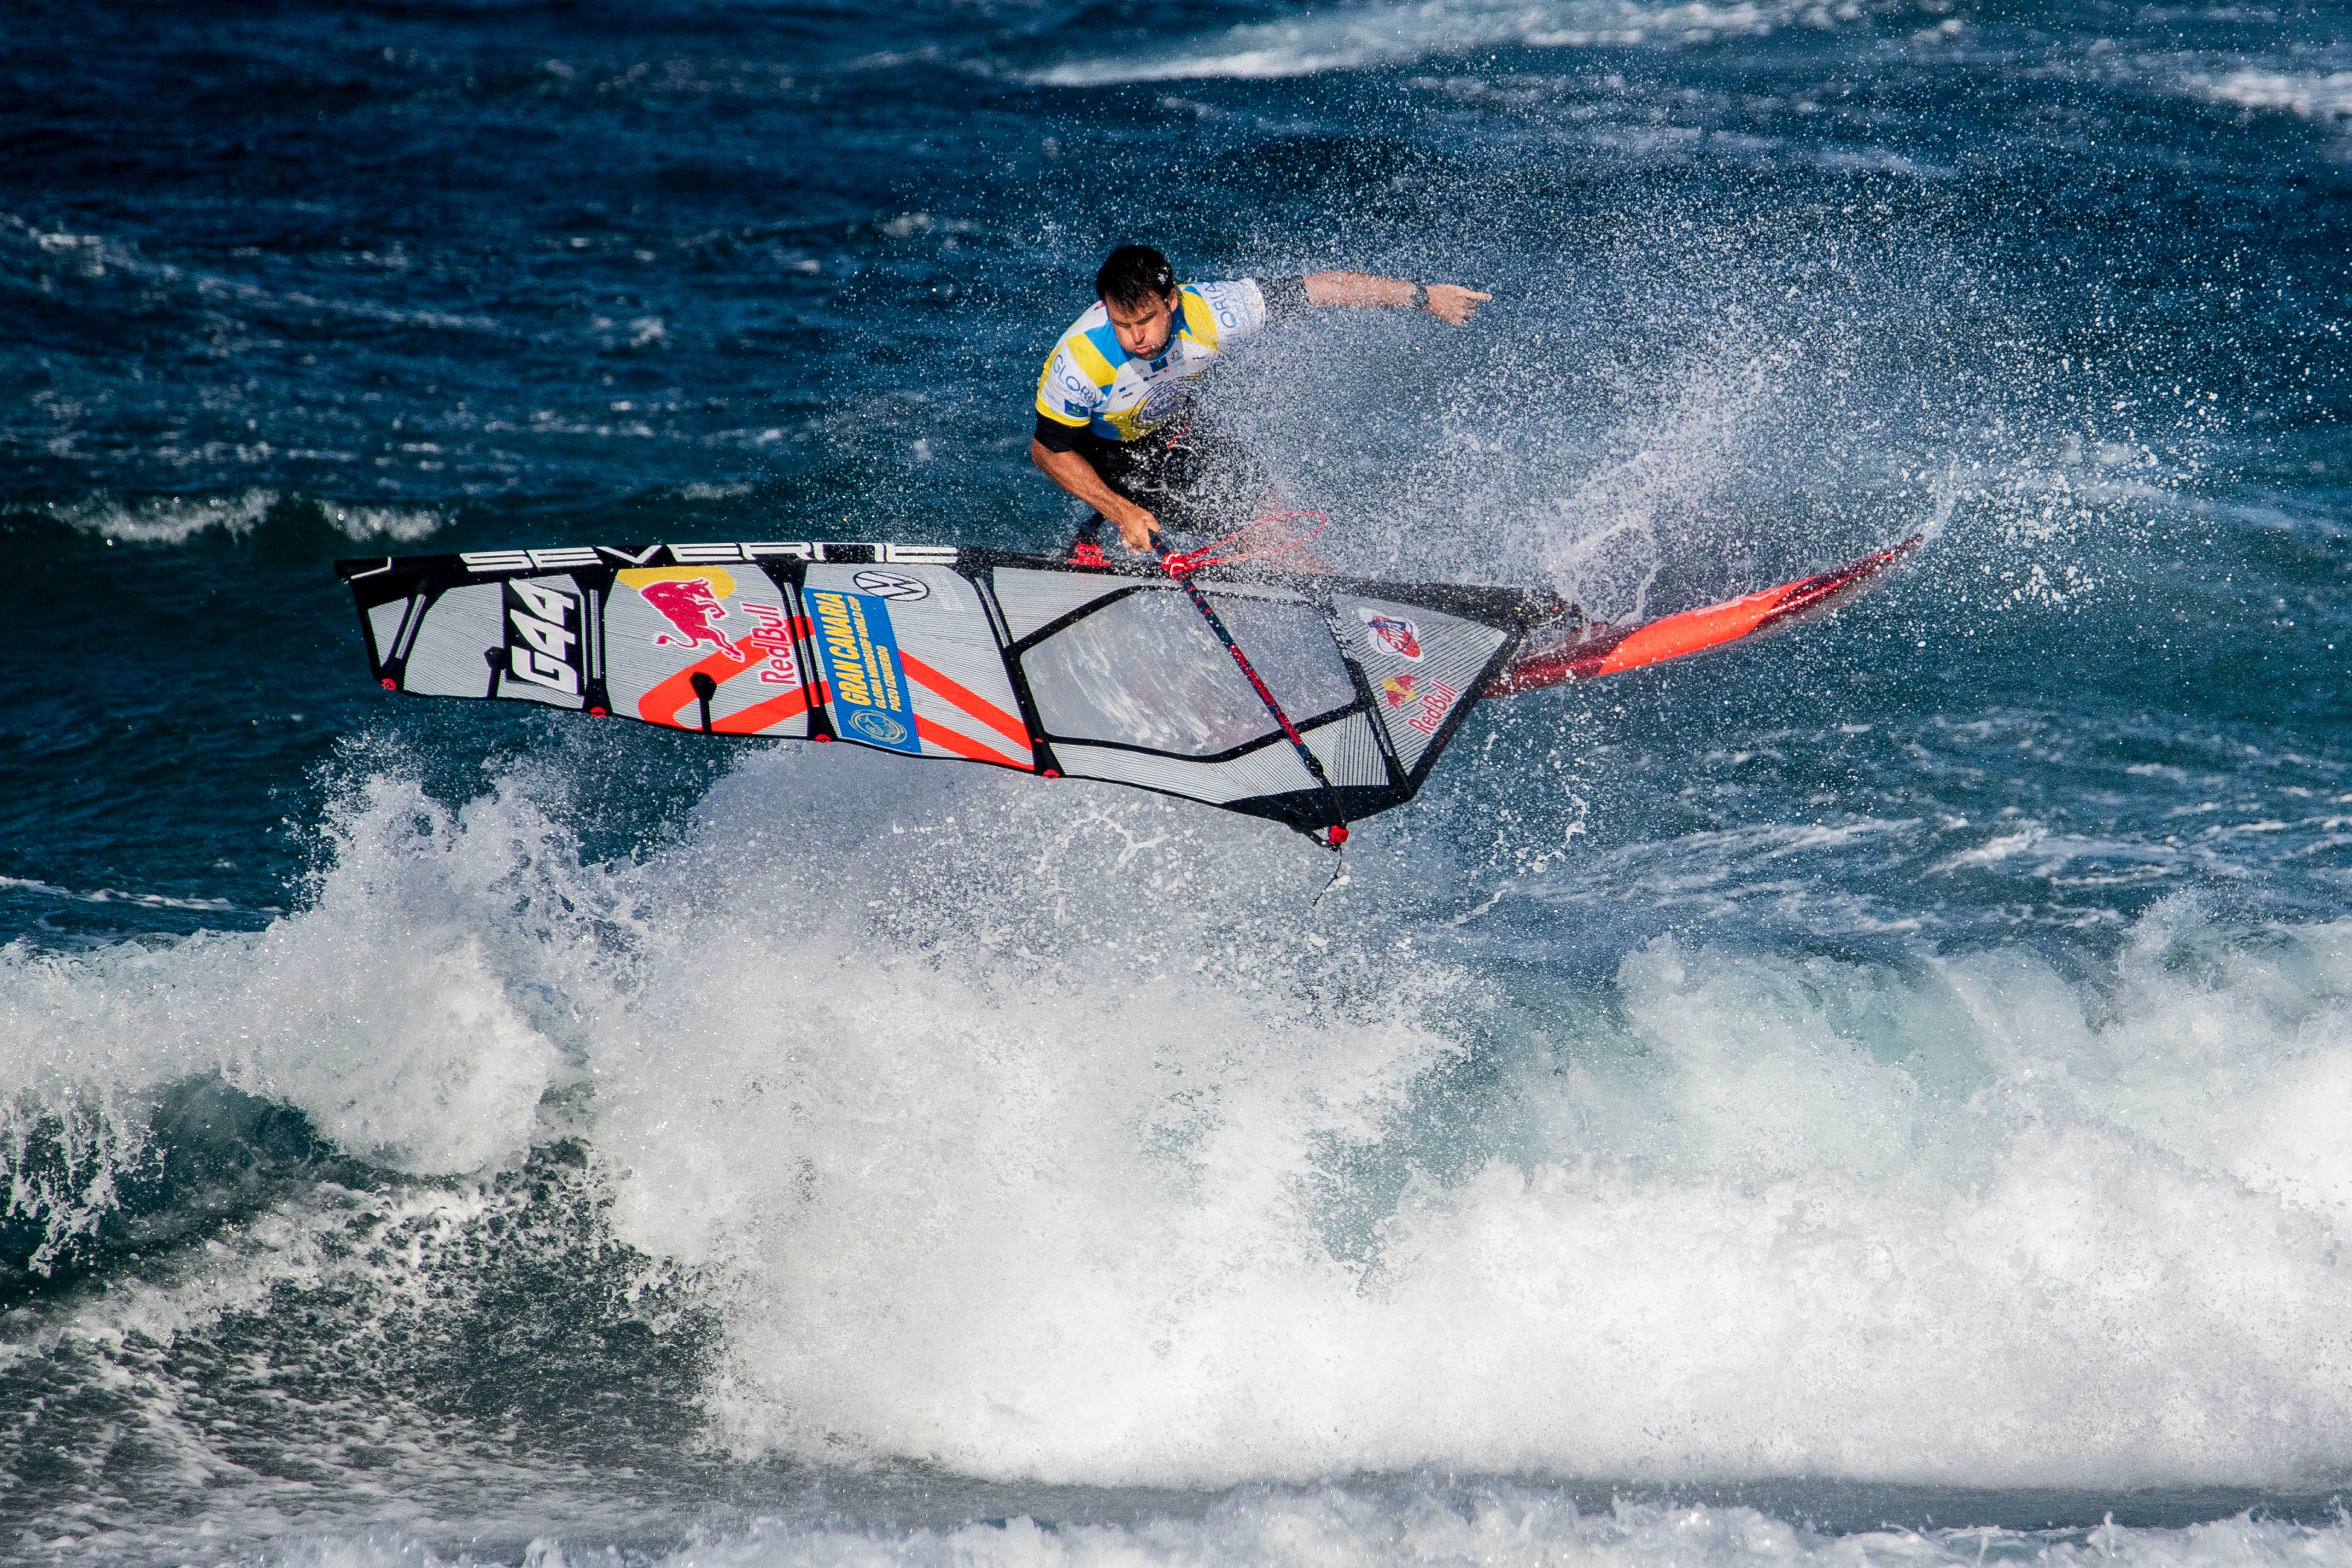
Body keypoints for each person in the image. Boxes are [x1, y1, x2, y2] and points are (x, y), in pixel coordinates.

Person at [1030, 245, 1490, 564]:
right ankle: (1102, 538)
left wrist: (1426, 297)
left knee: (1275, 522)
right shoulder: (1083, 360)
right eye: (1122, 323)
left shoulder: (1216, 312)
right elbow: (1048, 451)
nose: (1137, 339)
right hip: (1105, 453)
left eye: (1147, 321)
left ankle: (1339, 612)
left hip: (1176, 431)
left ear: (1171, 301)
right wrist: (1119, 509)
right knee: (1245, 529)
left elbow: (1324, 288)